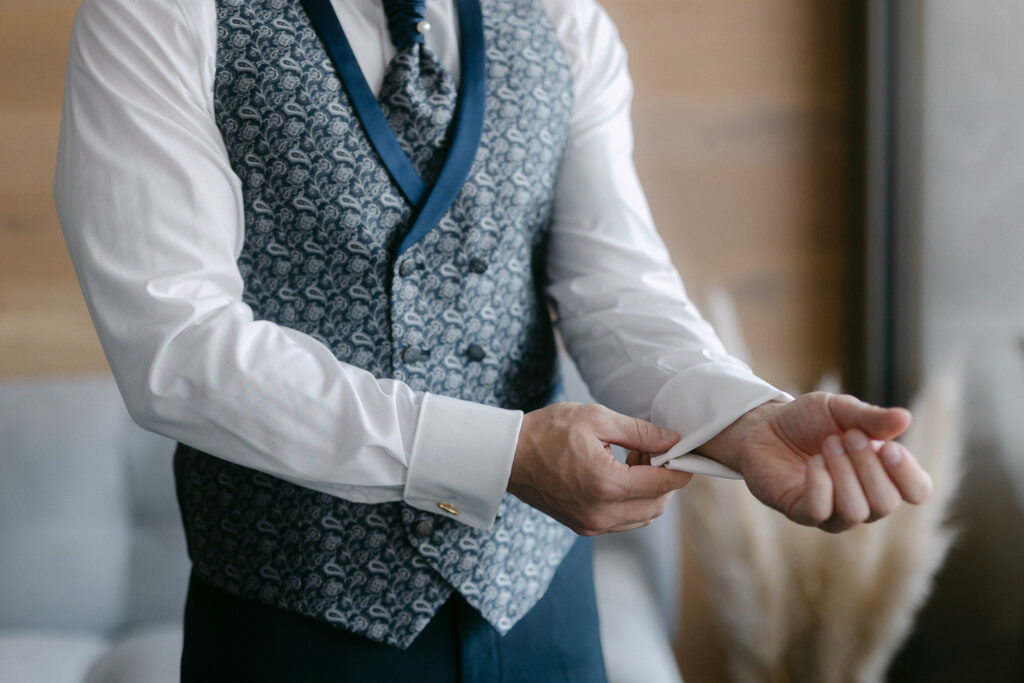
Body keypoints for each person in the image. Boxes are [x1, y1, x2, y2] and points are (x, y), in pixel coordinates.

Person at [54, 0, 933, 679]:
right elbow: (177, 344)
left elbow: (613, 284)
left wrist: (743, 417)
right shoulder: (162, 13)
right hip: (294, 630)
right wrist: (498, 454)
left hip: (544, 619)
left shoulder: (562, 18)